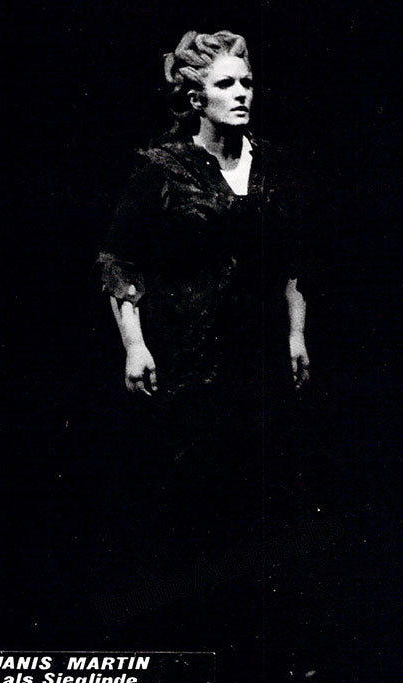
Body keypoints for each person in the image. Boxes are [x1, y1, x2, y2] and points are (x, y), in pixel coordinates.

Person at [94, 30, 311, 567]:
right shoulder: (163, 168)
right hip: (188, 354)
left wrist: (295, 333)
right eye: (226, 84)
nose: (242, 94)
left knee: (263, 492)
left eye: (247, 83)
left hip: (258, 353)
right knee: (194, 497)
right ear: (196, 99)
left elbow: (292, 262)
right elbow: (121, 260)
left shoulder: (274, 165)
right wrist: (134, 345)